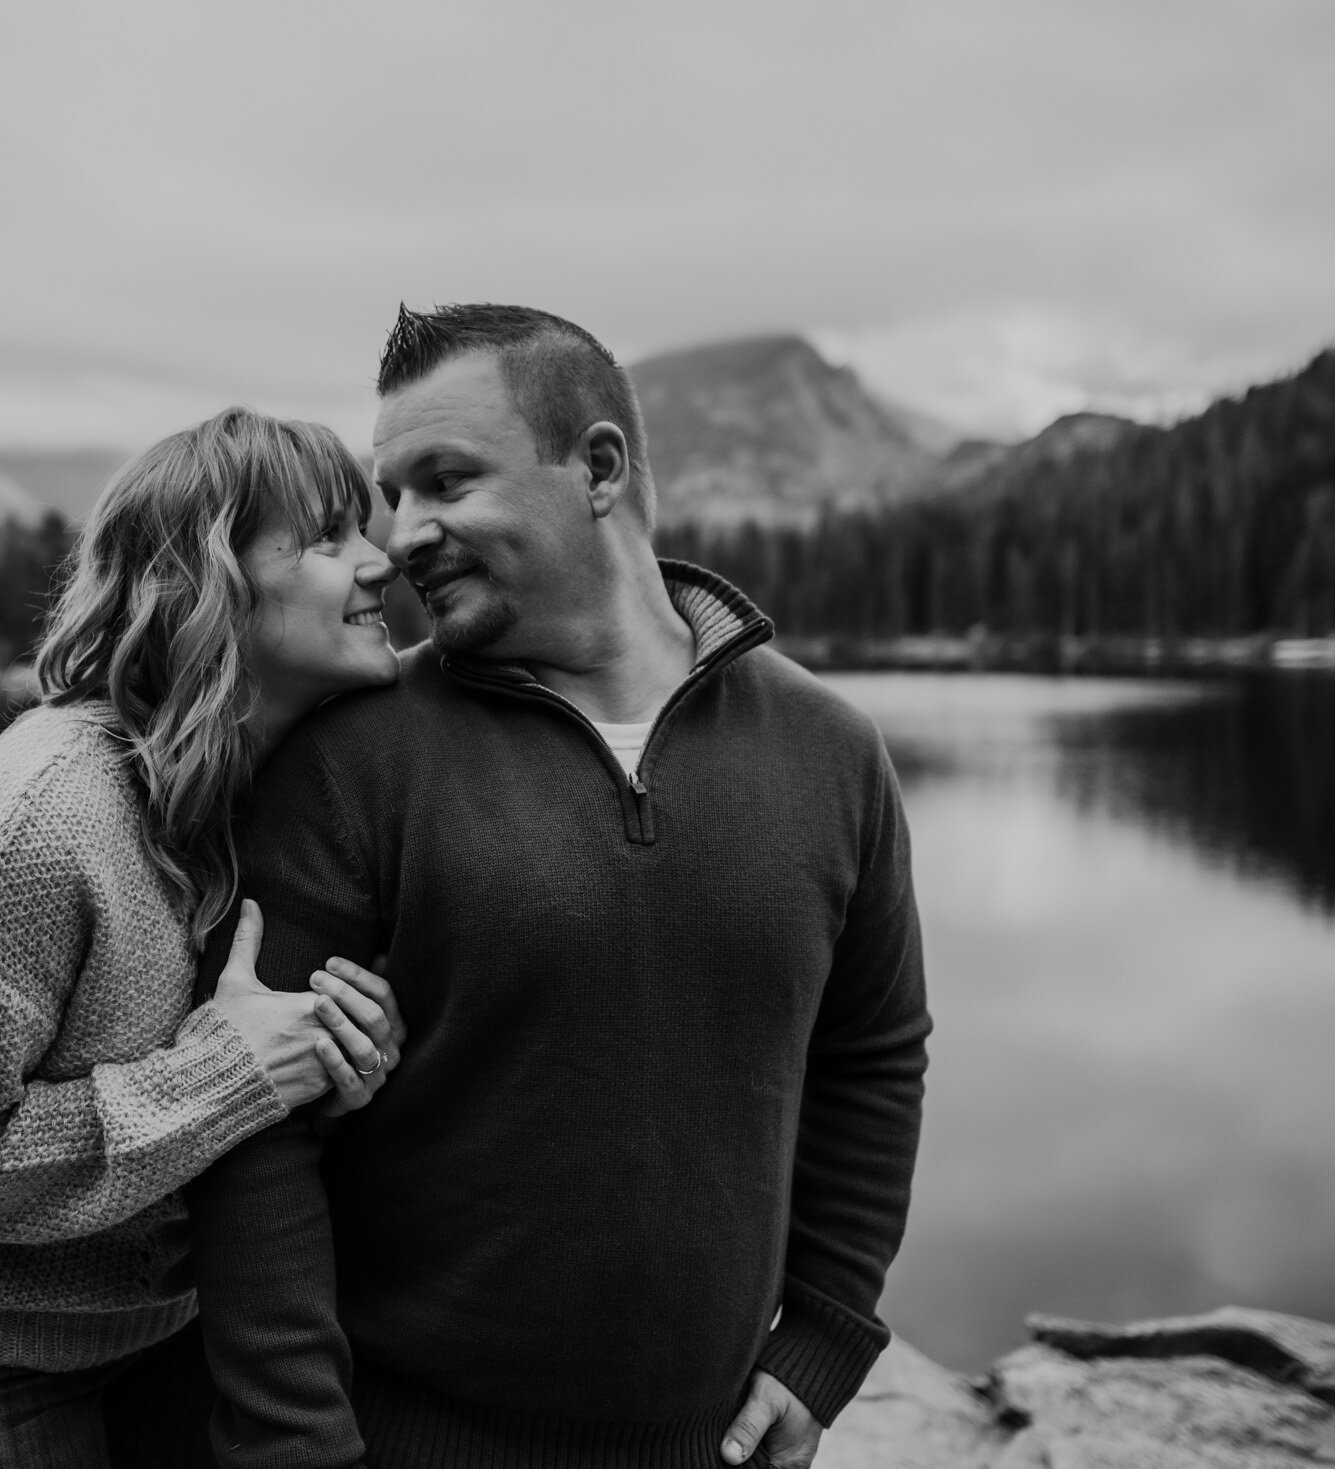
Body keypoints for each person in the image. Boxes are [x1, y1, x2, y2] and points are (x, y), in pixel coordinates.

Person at [189, 305, 932, 1469]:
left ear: (596, 466)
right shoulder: (353, 757)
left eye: (445, 480)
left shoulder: (830, 750)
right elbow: (254, 1135)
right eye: (396, 492)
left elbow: (871, 1055)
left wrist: (823, 1340)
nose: (402, 538)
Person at [0, 407, 417, 1468]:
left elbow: (251, 1094)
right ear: (211, 583)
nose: (385, 561)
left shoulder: (285, 790)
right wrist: (228, 1075)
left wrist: (329, 1063)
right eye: (330, 539)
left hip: (167, 1326)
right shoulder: (38, 820)